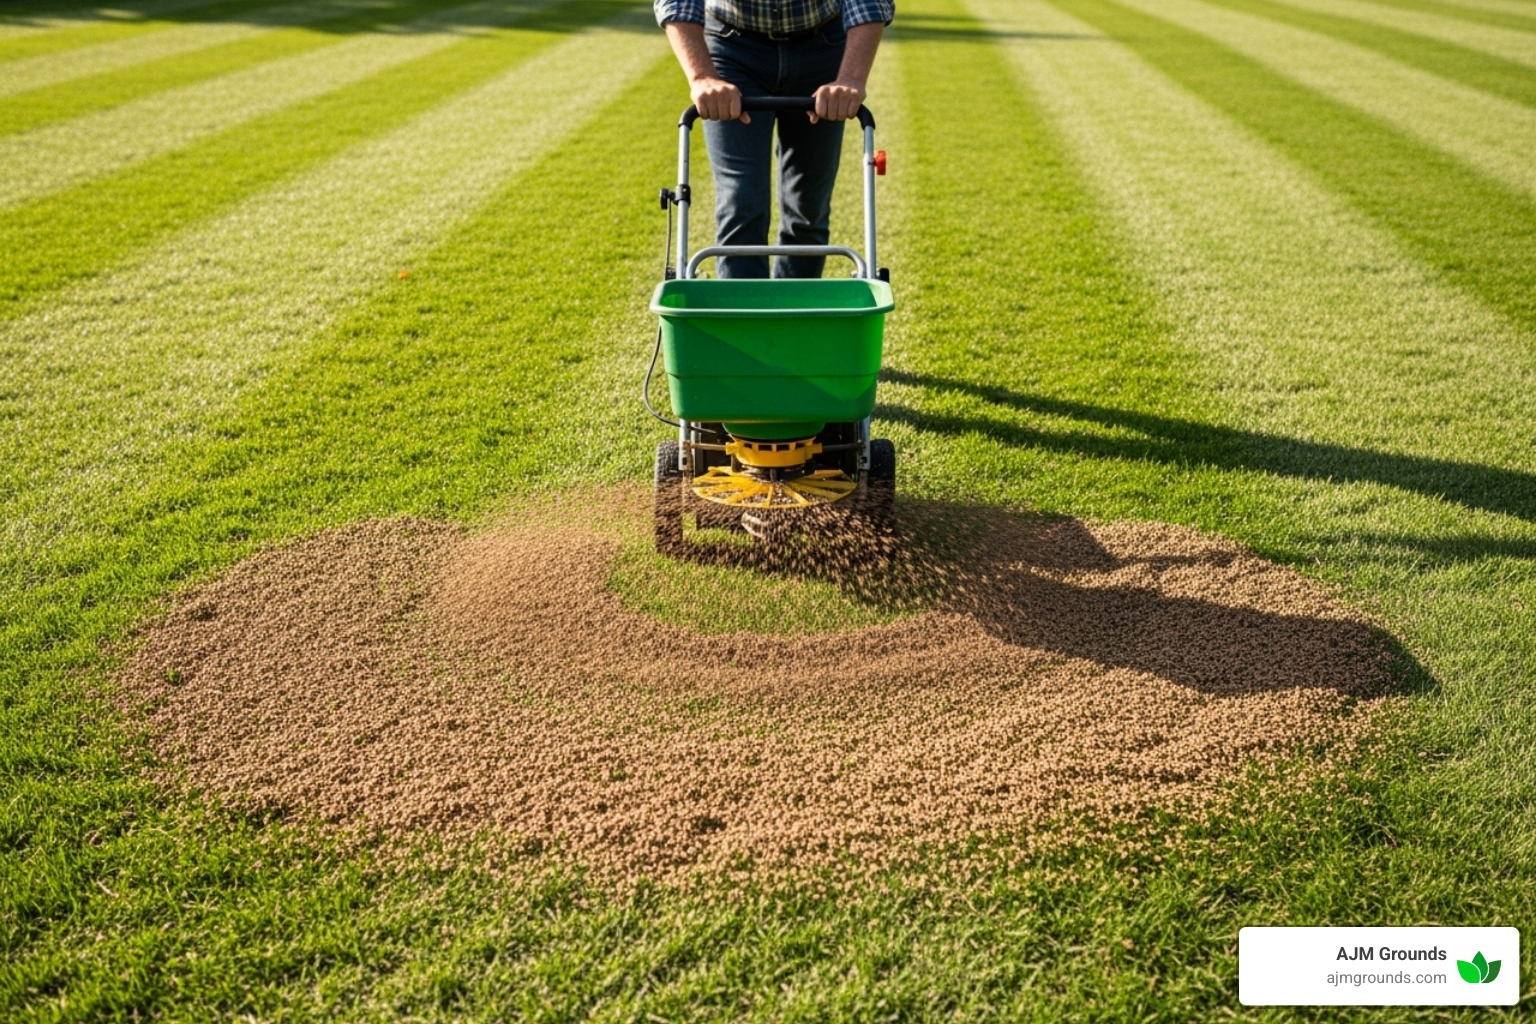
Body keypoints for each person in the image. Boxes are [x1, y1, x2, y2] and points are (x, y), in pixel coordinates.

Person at [654, 0, 893, 279]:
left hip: (822, 47)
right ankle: (743, 318)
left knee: (808, 210)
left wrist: (851, 78)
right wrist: (702, 77)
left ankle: (794, 316)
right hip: (732, 47)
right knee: (740, 202)